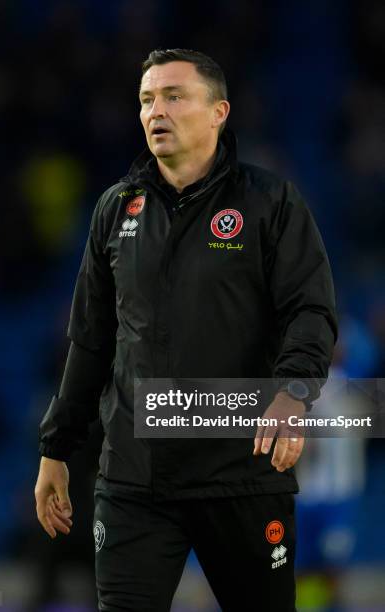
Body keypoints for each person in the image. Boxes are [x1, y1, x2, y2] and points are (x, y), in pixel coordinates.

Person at [35, 49, 337, 611]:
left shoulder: (271, 203)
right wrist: (55, 450)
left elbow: (310, 311)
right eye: (147, 99)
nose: (157, 111)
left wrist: (294, 391)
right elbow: (91, 341)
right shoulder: (116, 209)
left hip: (242, 474)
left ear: (219, 111)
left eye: (174, 96)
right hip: (134, 481)